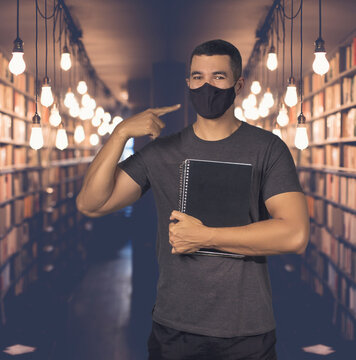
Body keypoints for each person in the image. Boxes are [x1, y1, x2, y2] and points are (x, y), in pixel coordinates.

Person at [75, 39, 310, 360]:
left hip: (247, 329)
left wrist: (206, 237)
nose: (206, 85)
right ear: (188, 83)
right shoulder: (160, 152)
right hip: (175, 327)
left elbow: (295, 235)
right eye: (197, 77)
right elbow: (91, 204)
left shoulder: (267, 148)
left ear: (237, 85)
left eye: (218, 77)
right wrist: (120, 134)